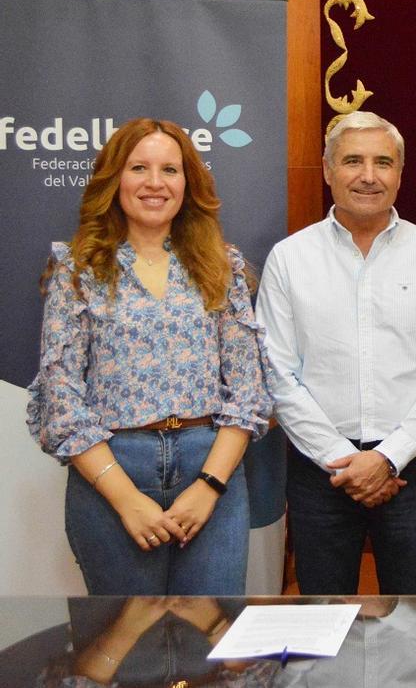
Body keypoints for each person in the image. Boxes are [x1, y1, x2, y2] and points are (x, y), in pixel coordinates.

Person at [26, 118, 271, 595]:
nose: (155, 183)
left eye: (170, 170)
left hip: (211, 470)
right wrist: (126, 500)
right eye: (139, 167)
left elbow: (248, 391)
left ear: (188, 183)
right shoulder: (76, 270)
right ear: (114, 179)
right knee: (126, 645)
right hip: (112, 472)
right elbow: (61, 398)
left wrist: (208, 489)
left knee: (211, 645)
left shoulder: (222, 267)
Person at [256, 111, 416, 594]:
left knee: (414, 626)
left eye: (383, 163)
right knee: (323, 629)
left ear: (400, 174)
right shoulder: (290, 259)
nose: (368, 176)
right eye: (353, 161)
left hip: (411, 471)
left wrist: (387, 459)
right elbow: (278, 374)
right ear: (328, 170)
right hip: (319, 474)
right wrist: (343, 461)